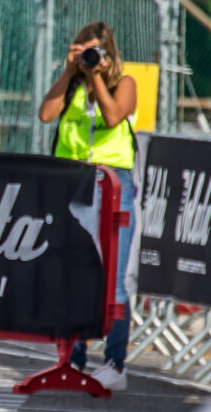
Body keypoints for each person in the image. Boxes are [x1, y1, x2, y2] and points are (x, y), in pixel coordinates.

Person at [38, 21, 138, 392]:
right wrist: (70, 70)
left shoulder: (122, 83)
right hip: (73, 182)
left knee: (115, 279)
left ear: (109, 53)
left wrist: (96, 75)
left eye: (95, 50)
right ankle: (72, 359)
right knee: (73, 274)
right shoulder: (73, 84)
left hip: (114, 184)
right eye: (83, 50)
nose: (89, 57)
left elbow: (114, 116)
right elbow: (46, 114)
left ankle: (115, 362)